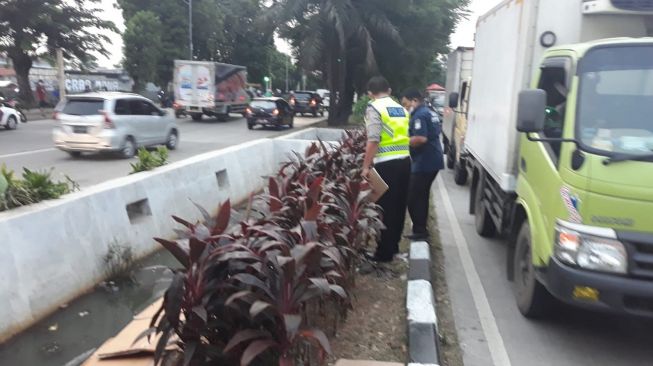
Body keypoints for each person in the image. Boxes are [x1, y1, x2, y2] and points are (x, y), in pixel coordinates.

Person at [362, 76, 411, 262]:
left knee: (384, 209)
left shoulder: (374, 108)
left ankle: (383, 254)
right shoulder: (401, 109)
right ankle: (393, 248)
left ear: (370, 93)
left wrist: (366, 167)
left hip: (386, 165)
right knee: (399, 208)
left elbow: (373, 139)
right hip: (405, 162)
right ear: (389, 90)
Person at [401, 88, 444, 240]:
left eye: (406, 104)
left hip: (425, 162)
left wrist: (402, 141)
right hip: (432, 160)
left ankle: (420, 231)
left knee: (412, 197)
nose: (406, 108)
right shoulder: (429, 112)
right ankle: (421, 230)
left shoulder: (419, 115)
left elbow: (420, 138)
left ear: (414, 100)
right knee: (422, 196)